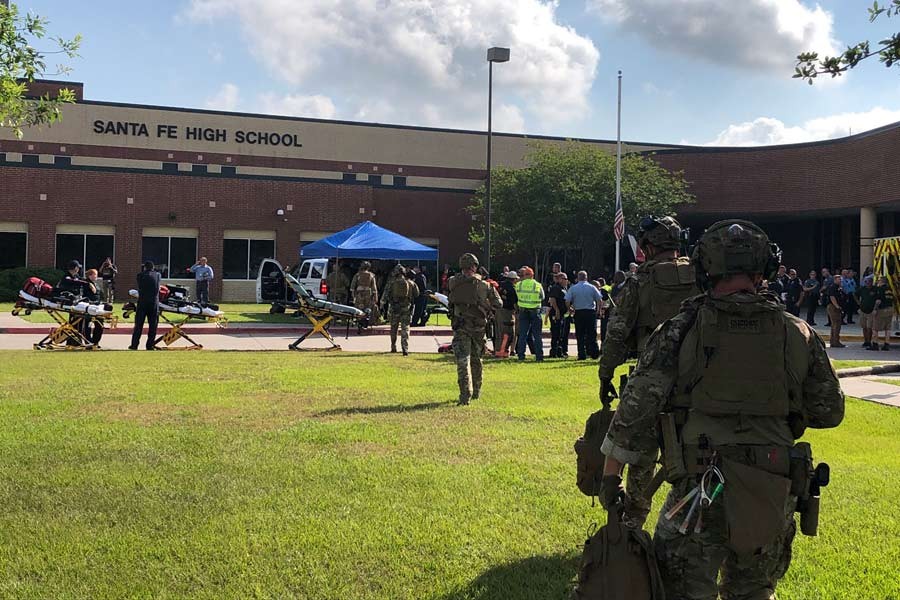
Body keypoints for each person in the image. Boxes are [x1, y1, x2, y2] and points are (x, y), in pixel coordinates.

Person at [598, 220, 844, 600]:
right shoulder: (797, 332)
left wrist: (611, 478)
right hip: (772, 484)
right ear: (764, 269)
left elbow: (635, 410)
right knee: (753, 591)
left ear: (704, 267)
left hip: (701, 487)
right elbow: (829, 411)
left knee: (680, 588)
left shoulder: (681, 327)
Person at [598, 215, 698, 526]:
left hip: (650, 377)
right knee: (695, 451)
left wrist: (605, 374)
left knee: (641, 452)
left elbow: (617, 334)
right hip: (698, 380)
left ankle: (633, 522)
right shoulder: (702, 277)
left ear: (647, 247)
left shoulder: (639, 282)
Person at [448, 253, 501, 405]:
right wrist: (486, 307)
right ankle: (477, 391)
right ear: (475, 266)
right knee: (477, 359)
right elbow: (499, 303)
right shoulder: (484, 285)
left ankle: (465, 395)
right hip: (478, 327)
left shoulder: (453, 282)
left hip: (460, 325)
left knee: (463, 360)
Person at [565, 271, 603, 360]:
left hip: (579, 313)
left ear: (578, 278)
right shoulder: (592, 287)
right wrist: (598, 310)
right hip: (590, 312)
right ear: (586, 277)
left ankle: (581, 354)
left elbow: (567, 300)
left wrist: (569, 308)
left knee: (580, 334)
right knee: (592, 334)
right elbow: (599, 300)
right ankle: (594, 353)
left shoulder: (573, 288)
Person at [384, 264, 419, 355]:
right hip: (406, 308)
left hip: (394, 308)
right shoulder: (410, 282)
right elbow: (417, 294)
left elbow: (385, 296)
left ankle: (393, 346)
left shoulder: (391, 282)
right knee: (405, 328)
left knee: (394, 328)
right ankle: (405, 348)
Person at [514, 266, 545, 362]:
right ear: (532, 275)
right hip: (535, 311)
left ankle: (521, 355)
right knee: (537, 335)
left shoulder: (518, 285)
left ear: (524, 275)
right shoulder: (537, 285)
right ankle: (539, 356)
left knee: (523, 334)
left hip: (523, 311)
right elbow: (542, 297)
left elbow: (516, 296)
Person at [130, 261, 161, 351]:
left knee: (139, 325)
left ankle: (134, 345)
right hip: (154, 302)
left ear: (144, 267)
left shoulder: (140, 275)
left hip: (142, 302)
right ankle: (150, 345)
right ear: (153, 267)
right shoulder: (158, 275)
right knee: (153, 325)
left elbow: (140, 285)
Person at [495, 271, 518, 357]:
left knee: (498, 332)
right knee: (507, 332)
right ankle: (503, 352)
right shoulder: (512, 288)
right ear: (513, 279)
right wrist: (517, 311)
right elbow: (515, 303)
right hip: (507, 312)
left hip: (498, 310)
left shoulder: (500, 285)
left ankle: (497, 350)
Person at [547, 272, 571, 358]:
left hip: (562, 314)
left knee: (561, 333)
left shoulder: (564, 288)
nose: (566, 281)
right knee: (556, 333)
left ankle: (559, 351)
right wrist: (556, 310)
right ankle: (554, 352)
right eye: (565, 279)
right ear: (560, 279)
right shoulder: (556, 288)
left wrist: (569, 309)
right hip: (556, 314)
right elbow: (552, 299)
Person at [870, 275, 894, 351]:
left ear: (882, 281)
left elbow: (878, 301)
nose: (877, 281)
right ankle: (886, 344)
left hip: (882, 310)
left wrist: (875, 309)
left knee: (875, 328)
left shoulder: (880, 289)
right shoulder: (889, 289)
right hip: (890, 309)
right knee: (888, 328)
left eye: (879, 280)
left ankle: (875, 344)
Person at [83, 268, 105, 345]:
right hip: (90, 306)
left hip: (97, 306)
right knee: (87, 325)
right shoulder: (86, 284)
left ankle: (96, 341)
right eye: (95, 275)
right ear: (90, 275)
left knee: (99, 324)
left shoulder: (95, 284)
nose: (96, 276)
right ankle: (88, 341)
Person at [825, 274, 847, 348]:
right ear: (835, 280)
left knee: (835, 324)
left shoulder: (838, 287)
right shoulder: (833, 287)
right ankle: (835, 342)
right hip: (833, 307)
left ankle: (833, 341)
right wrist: (837, 306)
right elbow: (832, 297)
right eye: (838, 279)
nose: (840, 280)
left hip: (836, 307)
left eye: (840, 279)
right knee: (836, 324)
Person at [856, 275, 877, 348]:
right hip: (863, 310)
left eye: (869, 282)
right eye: (866, 282)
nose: (867, 283)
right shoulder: (862, 289)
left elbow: (878, 299)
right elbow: (854, 294)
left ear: (872, 282)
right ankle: (865, 341)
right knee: (864, 327)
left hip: (870, 311)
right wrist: (858, 302)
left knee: (869, 327)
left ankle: (869, 341)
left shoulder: (875, 289)